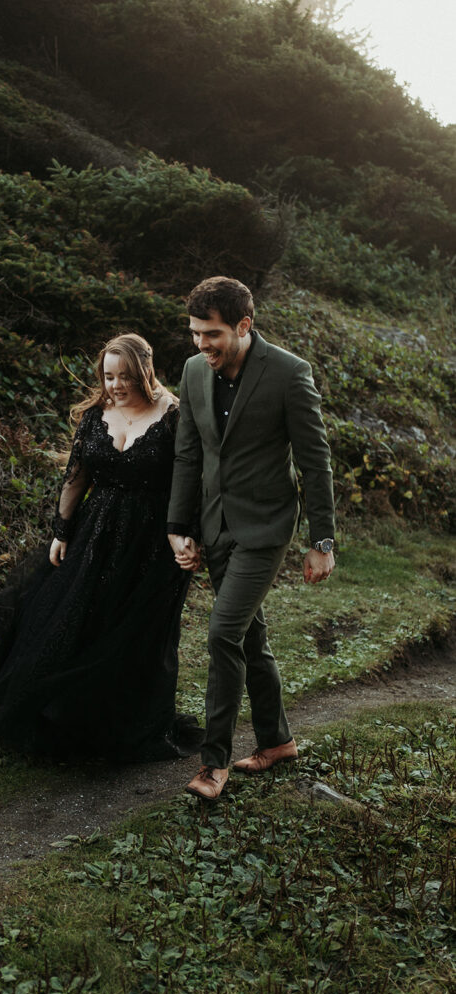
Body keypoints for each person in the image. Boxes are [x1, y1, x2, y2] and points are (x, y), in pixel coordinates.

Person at [0, 333, 203, 762]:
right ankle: (63, 717)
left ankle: (123, 726)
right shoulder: (97, 414)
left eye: (125, 376)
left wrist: (187, 532)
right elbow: (76, 477)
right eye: (109, 376)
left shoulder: (173, 416)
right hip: (95, 533)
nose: (115, 385)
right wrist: (61, 530)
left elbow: (190, 480)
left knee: (133, 631)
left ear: (145, 371)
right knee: (74, 617)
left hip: (152, 541)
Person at [167, 276, 336, 801]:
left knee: (222, 634)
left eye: (212, 334)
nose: (201, 345)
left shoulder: (289, 373)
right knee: (250, 637)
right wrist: (180, 527)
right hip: (215, 528)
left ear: (244, 325)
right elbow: (189, 455)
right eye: (195, 333)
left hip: (265, 529)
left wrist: (322, 540)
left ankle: (213, 763)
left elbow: (314, 460)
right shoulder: (195, 372)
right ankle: (277, 741)